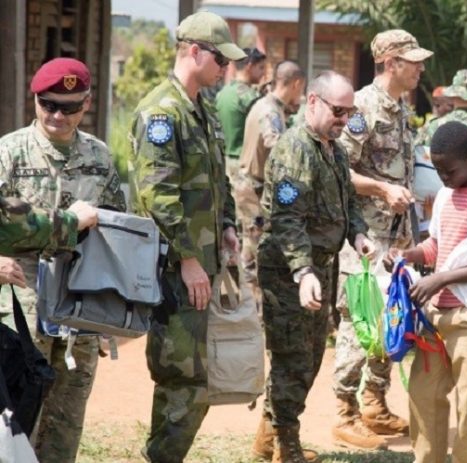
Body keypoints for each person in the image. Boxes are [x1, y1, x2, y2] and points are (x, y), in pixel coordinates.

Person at [128, 11, 245, 462]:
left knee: (195, 375)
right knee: (185, 379)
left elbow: (219, 179)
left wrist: (229, 225)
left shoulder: (202, 107)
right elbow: (158, 195)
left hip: (203, 263)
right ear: (194, 52)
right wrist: (189, 260)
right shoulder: (163, 111)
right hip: (176, 271)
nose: (226, 69)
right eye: (220, 59)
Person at [0, 57, 124, 463]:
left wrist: (111, 308)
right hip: (20, 302)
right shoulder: (9, 152)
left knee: (67, 416)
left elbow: (114, 232)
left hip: (79, 303)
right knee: (17, 412)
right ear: (34, 99)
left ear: (85, 105)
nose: (56, 115)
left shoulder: (100, 158)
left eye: (68, 107)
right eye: (47, 104)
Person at [251, 71, 375, 463]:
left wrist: (358, 234)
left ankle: (266, 441)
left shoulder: (334, 149)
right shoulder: (293, 149)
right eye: (338, 110)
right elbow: (286, 220)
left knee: (311, 357)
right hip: (290, 274)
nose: (343, 119)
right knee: (293, 360)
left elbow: (348, 203)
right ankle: (286, 449)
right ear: (313, 102)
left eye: (348, 112)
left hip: (321, 269)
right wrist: (303, 272)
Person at [385, 120, 467, 462]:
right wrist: (409, 254)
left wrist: (442, 279)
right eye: (438, 168)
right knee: (423, 395)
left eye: (450, 169)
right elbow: (437, 246)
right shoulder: (445, 195)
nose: (443, 176)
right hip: (437, 316)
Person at [332, 29, 432, 450]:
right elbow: (338, 170)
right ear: (391, 63)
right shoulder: (362, 108)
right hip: (365, 239)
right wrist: (383, 190)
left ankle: (374, 403)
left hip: (396, 240)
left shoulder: (401, 108)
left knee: (391, 317)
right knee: (359, 321)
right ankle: (345, 413)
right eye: (414, 61)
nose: (421, 68)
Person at [236, 60, 305, 311]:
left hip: (252, 188)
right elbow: (275, 143)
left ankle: (250, 307)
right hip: (253, 190)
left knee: (251, 248)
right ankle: (251, 309)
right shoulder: (270, 111)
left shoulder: (269, 106)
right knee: (255, 252)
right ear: (296, 84)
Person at [215, 47, 267, 180]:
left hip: (224, 161)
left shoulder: (223, 92)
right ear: (249, 67)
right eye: (261, 68)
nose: (264, 73)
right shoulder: (248, 97)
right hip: (243, 165)